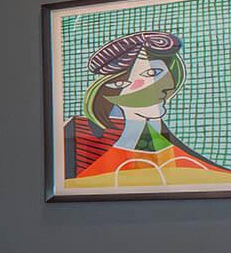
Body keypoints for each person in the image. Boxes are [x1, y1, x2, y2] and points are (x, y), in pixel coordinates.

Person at [66, 29, 229, 183]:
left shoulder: (170, 145)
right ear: (118, 84)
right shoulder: (81, 141)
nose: (165, 85)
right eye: (151, 74)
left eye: (163, 74)